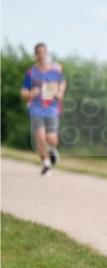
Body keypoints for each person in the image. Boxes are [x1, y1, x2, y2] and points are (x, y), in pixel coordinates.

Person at [20, 42, 66, 176]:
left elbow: (62, 83)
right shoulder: (31, 72)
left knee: (51, 138)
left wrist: (60, 92)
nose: (41, 55)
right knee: (40, 136)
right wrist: (29, 93)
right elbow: (23, 92)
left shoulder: (55, 70)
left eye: (43, 52)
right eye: (39, 53)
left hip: (52, 109)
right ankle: (46, 164)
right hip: (36, 109)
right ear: (35, 55)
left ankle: (52, 149)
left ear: (46, 53)